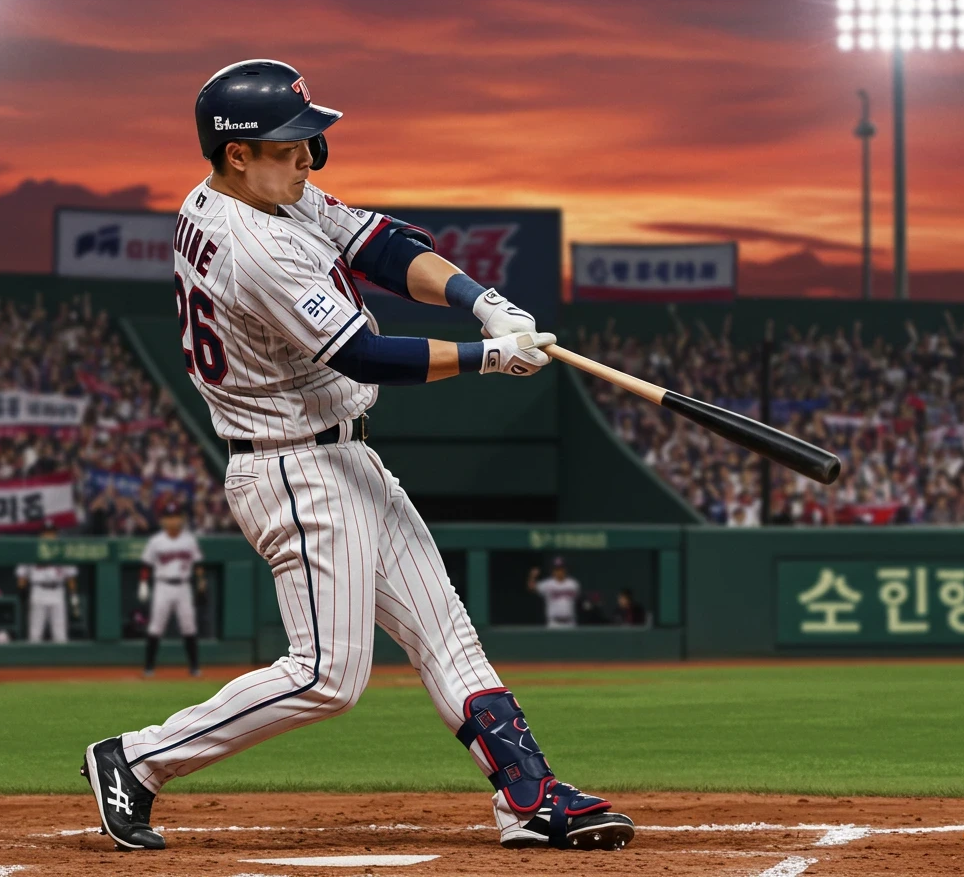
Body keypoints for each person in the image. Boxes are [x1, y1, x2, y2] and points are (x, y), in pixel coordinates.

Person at [81, 58, 633, 854]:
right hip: (291, 466)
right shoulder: (254, 246)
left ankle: (529, 797)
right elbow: (365, 354)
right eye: (290, 144)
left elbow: (377, 243)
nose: (308, 157)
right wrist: (489, 358)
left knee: (448, 635)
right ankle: (136, 758)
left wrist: (481, 301)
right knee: (326, 678)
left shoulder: (251, 193)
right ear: (239, 152)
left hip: (343, 456)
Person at [138, 499, 206, 677]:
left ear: (181, 518)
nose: (172, 520)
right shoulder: (156, 541)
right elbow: (146, 564)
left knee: (189, 626)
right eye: (169, 517)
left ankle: (194, 667)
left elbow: (198, 564)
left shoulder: (189, 540)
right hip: (163, 585)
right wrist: (143, 583)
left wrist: (201, 582)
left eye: (175, 516)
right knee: (155, 627)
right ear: (163, 520)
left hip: (183, 586)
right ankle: (149, 668)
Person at [14, 519, 80, 643]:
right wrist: (22, 595)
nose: (49, 536)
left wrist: (74, 601)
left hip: (58, 591)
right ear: (40, 534)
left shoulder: (64, 551)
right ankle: (33, 662)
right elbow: (22, 575)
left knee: (60, 636)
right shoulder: (31, 550)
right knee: (35, 635)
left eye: (51, 533)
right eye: (46, 533)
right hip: (38, 590)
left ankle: (61, 662)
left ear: (56, 534)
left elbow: (71, 578)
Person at [527, 557, 582, 629]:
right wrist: (532, 576)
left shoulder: (573, 584)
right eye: (556, 569)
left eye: (561, 569)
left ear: (565, 570)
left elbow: (578, 599)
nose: (559, 571)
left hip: (570, 622)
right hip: (554, 623)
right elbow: (531, 588)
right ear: (552, 571)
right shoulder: (547, 584)